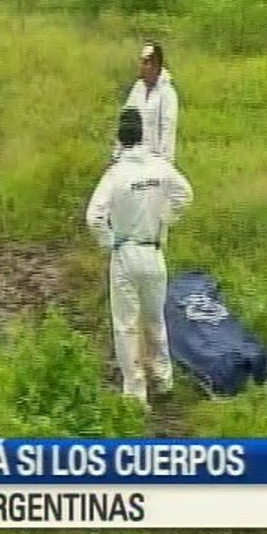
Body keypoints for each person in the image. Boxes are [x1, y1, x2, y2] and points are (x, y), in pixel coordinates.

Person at [87, 108, 194, 409]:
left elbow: (94, 216)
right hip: (154, 250)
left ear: (120, 137)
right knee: (154, 319)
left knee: (126, 325)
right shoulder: (159, 168)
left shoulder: (117, 174)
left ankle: (135, 391)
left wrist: (109, 242)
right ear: (142, 134)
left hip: (126, 252)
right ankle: (163, 378)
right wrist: (165, 218)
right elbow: (185, 193)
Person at [112, 41, 180, 246]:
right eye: (141, 62)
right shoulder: (138, 89)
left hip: (154, 162)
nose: (142, 66)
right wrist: (117, 154)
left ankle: (153, 247)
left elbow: (168, 132)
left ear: (156, 65)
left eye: (146, 62)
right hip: (132, 158)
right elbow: (126, 119)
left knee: (153, 210)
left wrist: (164, 166)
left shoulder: (167, 95)